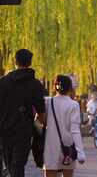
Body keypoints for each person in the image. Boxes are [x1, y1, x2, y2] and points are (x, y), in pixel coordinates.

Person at [0, 49, 46, 177]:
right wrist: (37, 127)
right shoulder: (35, 84)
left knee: (11, 165)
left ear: (15, 61)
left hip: (4, 131)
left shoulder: (3, 82)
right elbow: (41, 112)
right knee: (18, 165)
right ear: (30, 62)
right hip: (24, 131)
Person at [43, 75, 85, 177]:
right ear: (70, 88)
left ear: (55, 87)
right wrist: (80, 152)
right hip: (68, 147)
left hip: (50, 146)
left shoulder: (47, 102)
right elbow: (75, 130)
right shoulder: (74, 105)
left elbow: (39, 121)